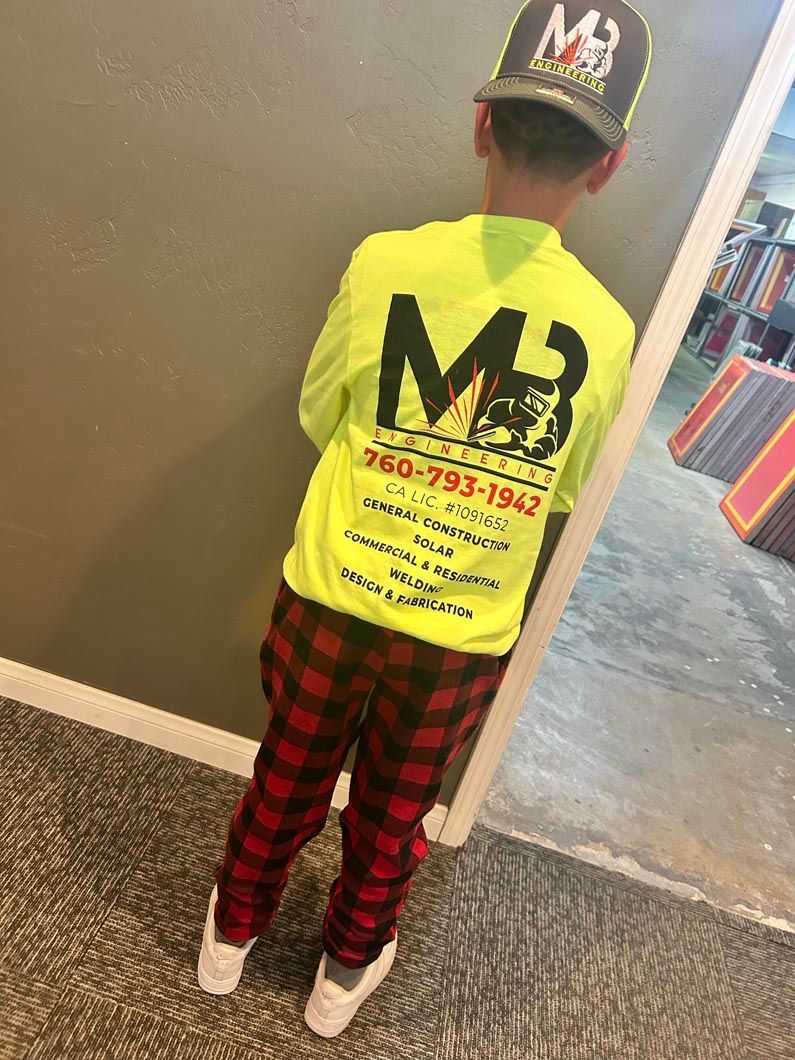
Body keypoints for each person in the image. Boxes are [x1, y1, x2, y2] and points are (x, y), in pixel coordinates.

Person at [198, 0, 652, 1039]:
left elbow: (323, 413)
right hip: (459, 631)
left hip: (333, 594)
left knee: (290, 770)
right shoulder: (608, 328)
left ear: (482, 126)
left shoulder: (382, 261)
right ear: (610, 164)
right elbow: (562, 485)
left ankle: (232, 930)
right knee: (396, 811)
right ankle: (343, 971)